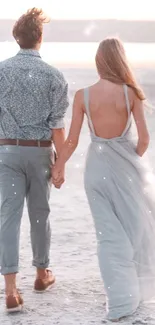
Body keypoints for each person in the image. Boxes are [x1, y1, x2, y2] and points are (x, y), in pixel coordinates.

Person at [53, 37, 155, 321]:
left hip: (96, 169)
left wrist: (58, 167)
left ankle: (119, 298)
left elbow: (72, 141)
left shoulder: (83, 95)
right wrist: (129, 158)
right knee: (134, 228)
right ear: (120, 61)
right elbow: (145, 140)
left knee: (107, 235)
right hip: (126, 170)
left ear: (99, 62)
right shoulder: (130, 93)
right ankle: (130, 294)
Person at [0, 8, 68, 312]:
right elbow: (57, 127)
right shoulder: (54, 75)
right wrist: (60, 164)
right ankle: (42, 275)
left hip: (7, 152)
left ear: (17, 37)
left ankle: (11, 291)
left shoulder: (1, 71)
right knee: (40, 215)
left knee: (8, 217)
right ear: (40, 38)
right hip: (40, 152)